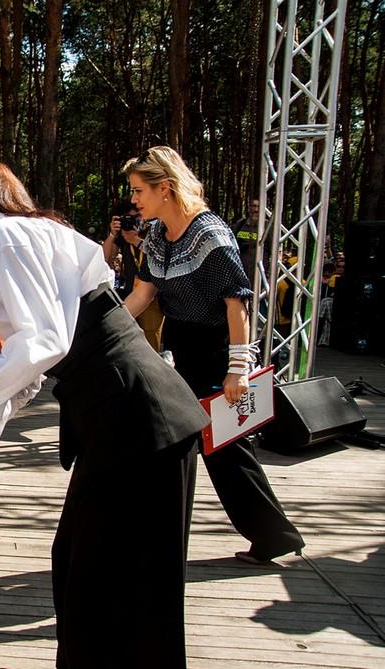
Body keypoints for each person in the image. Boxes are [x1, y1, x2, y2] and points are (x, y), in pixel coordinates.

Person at [0, 159, 209, 668]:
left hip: (136, 417)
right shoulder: (25, 233)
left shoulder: (10, 235)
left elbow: (39, 345)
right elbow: (35, 364)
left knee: (119, 589)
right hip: (122, 421)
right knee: (91, 578)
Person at [122, 146, 305, 565]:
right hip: (182, 345)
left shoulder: (209, 232)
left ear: (164, 188)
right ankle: (269, 534)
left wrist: (238, 368)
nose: (134, 200)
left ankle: (274, 533)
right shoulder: (156, 236)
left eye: (138, 191)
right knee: (181, 441)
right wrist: (103, 325)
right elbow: (142, 293)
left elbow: (236, 303)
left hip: (217, 348)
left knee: (223, 447)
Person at [102, 202, 165, 350]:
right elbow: (104, 258)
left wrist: (135, 240)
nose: (132, 221)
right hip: (131, 294)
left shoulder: (154, 231)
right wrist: (112, 235)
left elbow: (158, 256)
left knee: (151, 342)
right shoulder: (122, 235)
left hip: (153, 295)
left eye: (136, 217)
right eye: (126, 218)